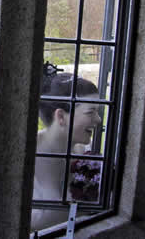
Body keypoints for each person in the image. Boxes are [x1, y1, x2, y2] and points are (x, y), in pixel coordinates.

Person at [31, 67, 102, 231]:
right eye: (90, 112)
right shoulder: (24, 158)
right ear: (61, 116)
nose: (98, 120)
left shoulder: (87, 153)